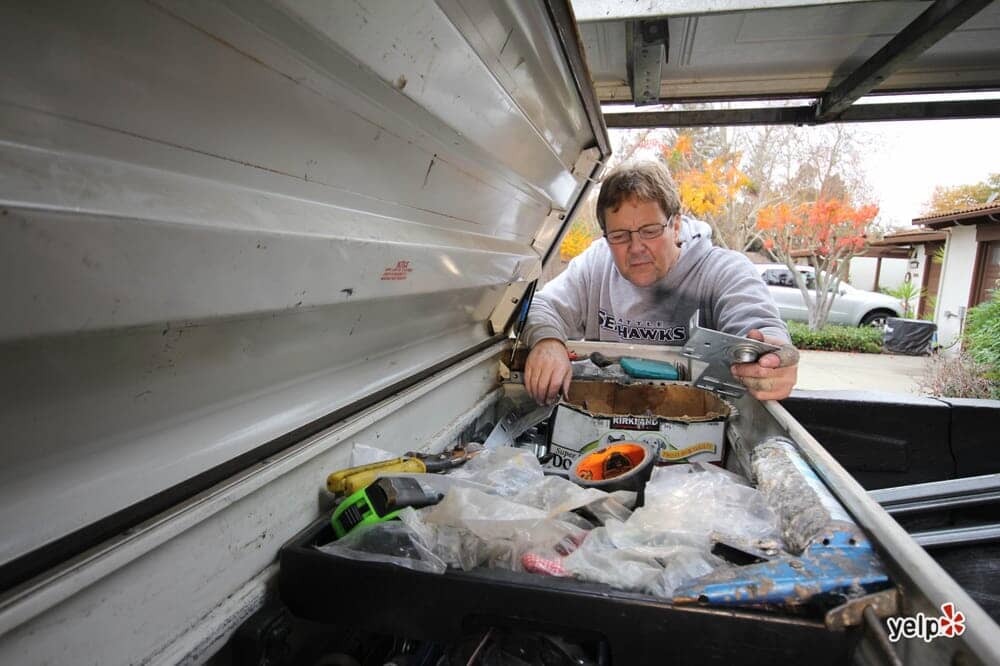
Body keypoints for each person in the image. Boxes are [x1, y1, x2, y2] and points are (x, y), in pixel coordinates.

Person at [523, 160, 798, 404]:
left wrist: (772, 362)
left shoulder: (722, 270)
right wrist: (548, 341)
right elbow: (541, 306)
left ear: (675, 225)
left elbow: (759, 326)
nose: (636, 247)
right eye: (619, 235)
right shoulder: (595, 264)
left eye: (650, 230)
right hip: (605, 409)